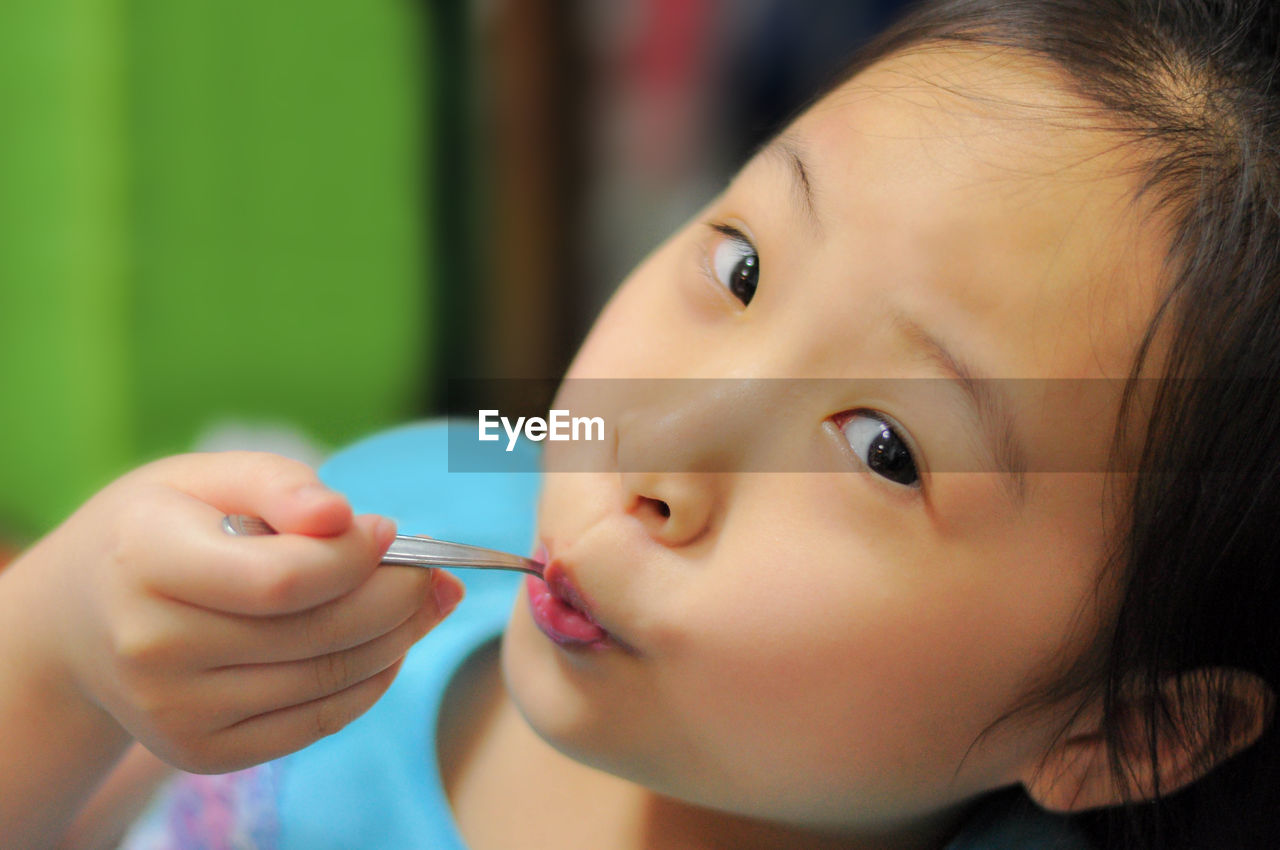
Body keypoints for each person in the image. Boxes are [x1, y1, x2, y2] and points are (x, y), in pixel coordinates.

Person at [4, 0, 1280, 847]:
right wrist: (63, 646)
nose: (654, 445)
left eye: (883, 447)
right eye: (738, 269)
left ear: (1127, 732)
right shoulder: (430, 486)